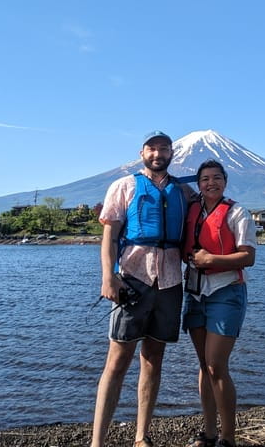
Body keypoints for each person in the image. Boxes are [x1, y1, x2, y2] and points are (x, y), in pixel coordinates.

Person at [91, 131, 195, 447]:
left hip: (170, 282)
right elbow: (109, 236)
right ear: (142, 152)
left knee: (153, 359)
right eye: (152, 148)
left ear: (172, 153)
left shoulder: (184, 192)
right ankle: (97, 441)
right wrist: (108, 277)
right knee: (117, 360)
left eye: (164, 148)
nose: (157, 153)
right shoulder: (124, 186)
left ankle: (141, 436)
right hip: (132, 279)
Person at [182, 159, 257, 447]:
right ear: (198, 184)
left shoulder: (238, 212)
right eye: (204, 179)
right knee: (203, 366)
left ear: (225, 181)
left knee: (216, 365)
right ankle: (209, 433)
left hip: (227, 291)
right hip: (196, 292)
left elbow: (248, 257)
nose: (210, 183)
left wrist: (212, 260)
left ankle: (228, 437)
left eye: (216, 178)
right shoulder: (192, 210)